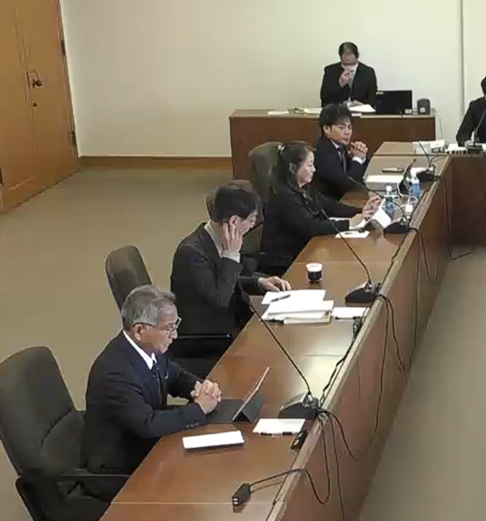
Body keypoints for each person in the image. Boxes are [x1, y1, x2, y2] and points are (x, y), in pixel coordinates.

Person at [82, 286, 224, 496]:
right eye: (169, 328)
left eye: (176, 325)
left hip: (148, 447)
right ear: (140, 331)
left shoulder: (149, 349)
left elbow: (175, 375)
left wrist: (200, 387)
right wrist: (199, 409)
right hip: (119, 470)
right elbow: (147, 424)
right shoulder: (115, 371)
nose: (175, 335)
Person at [169, 183, 291, 376]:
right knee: (271, 361)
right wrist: (232, 255)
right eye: (250, 220)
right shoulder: (191, 253)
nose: (252, 227)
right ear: (234, 221)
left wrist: (258, 283)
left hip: (230, 324)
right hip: (207, 340)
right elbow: (220, 299)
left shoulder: (215, 240)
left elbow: (220, 281)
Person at [258, 142, 381, 275]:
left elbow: (329, 205)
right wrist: (349, 224)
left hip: (304, 250)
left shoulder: (303, 187)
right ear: (293, 168)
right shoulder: (284, 195)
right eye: (310, 165)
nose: (314, 170)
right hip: (285, 261)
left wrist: (361, 211)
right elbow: (309, 227)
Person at [312, 104, 370, 201]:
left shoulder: (340, 147)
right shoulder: (322, 152)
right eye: (342, 128)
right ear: (326, 129)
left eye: (349, 127)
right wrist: (357, 159)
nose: (347, 132)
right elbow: (349, 184)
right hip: (328, 204)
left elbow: (357, 175)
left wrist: (361, 157)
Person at [320, 41, 378, 106]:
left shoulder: (368, 72)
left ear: (357, 55)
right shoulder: (330, 70)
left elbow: (373, 97)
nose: (348, 57)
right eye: (345, 54)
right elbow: (324, 97)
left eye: (350, 54)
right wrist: (340, 84)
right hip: (337, 109)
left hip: (360, 109)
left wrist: (362, 105)